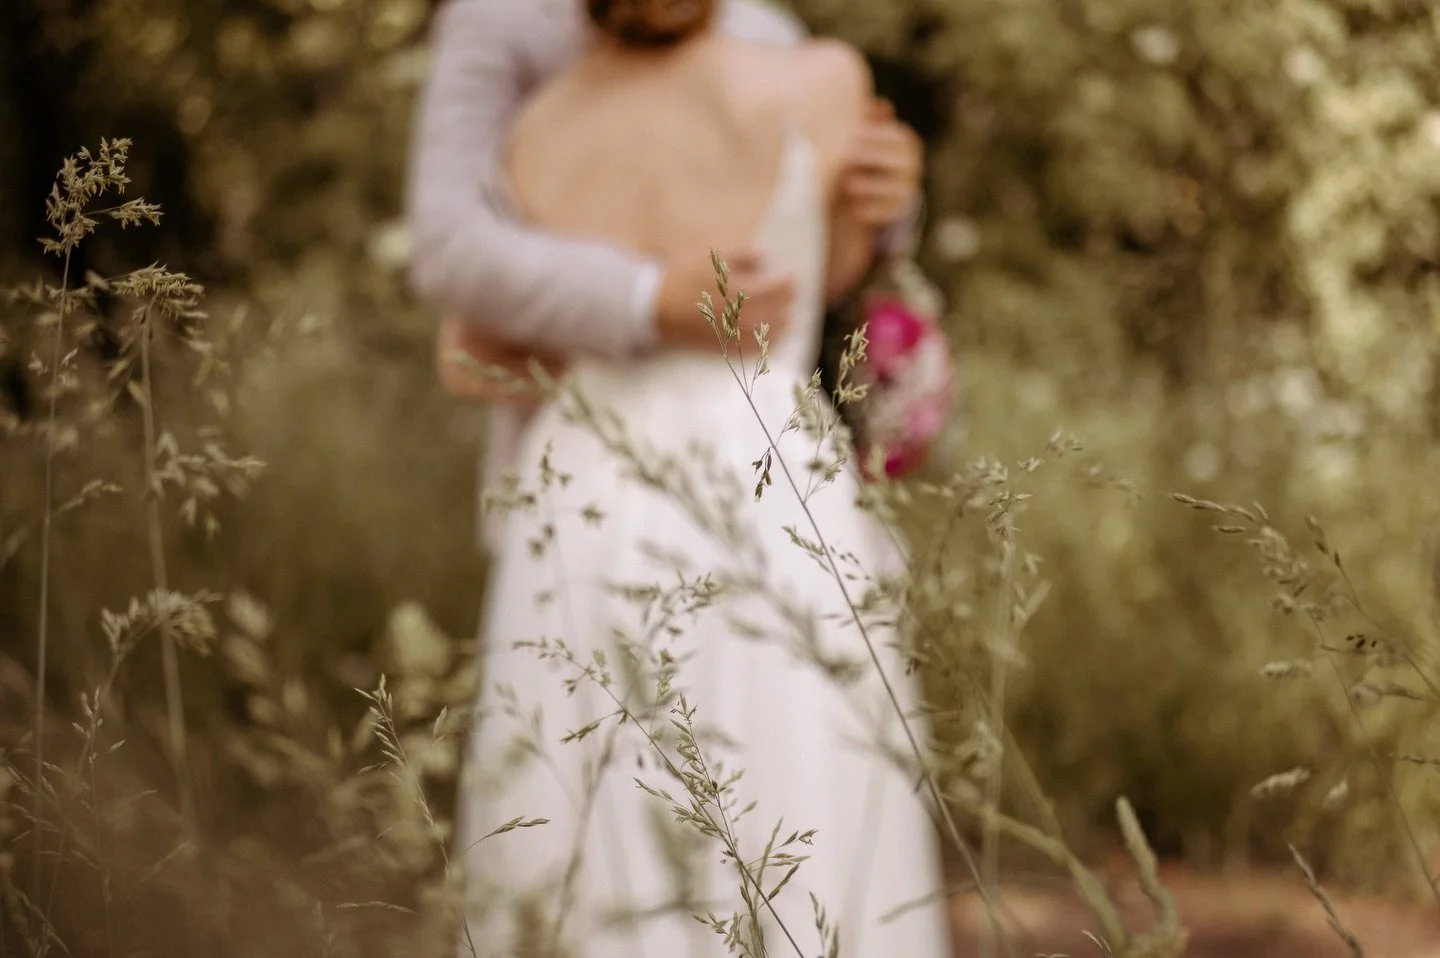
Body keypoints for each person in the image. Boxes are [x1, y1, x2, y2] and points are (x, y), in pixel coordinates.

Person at [407, 2, 949, 956]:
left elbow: (464, 352)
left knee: (582, 805)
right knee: (796, 783)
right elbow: (837, 263)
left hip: (580, 488)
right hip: (765, 474)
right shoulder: (813, 77)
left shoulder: (537, 131)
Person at [406, 0, 923, 549]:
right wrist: (647, 300)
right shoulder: (498, 20)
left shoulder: (766, 32)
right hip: (621, 455)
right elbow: (447, 246)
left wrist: (890, 199)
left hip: (644, 464)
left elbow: (817, 230)